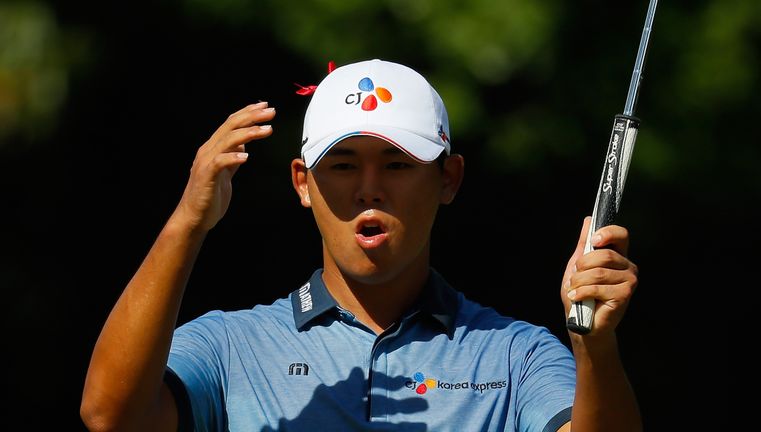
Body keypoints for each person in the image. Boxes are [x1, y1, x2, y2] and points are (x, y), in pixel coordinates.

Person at [80, 59, 642, 432]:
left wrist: (594, 345)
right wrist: (187, 223)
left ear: (449, 179)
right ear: (303, 183)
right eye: (343, 164)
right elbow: (109, 414)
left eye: (397, 164)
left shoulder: (518, 356)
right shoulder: (231, 348)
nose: (369, 188)